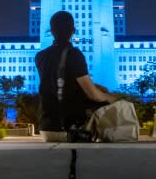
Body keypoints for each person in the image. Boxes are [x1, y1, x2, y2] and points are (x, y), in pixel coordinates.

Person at [36, 11, 116, 142]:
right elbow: (93, 95)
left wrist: (95, 86)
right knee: (107, 100)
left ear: (51, 31)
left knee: (100, 91)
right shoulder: (74, 54)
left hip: (46, 128)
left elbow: (59, 82)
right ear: (73, 30)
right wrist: (110, 98)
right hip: (70, 130)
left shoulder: (40, 56)